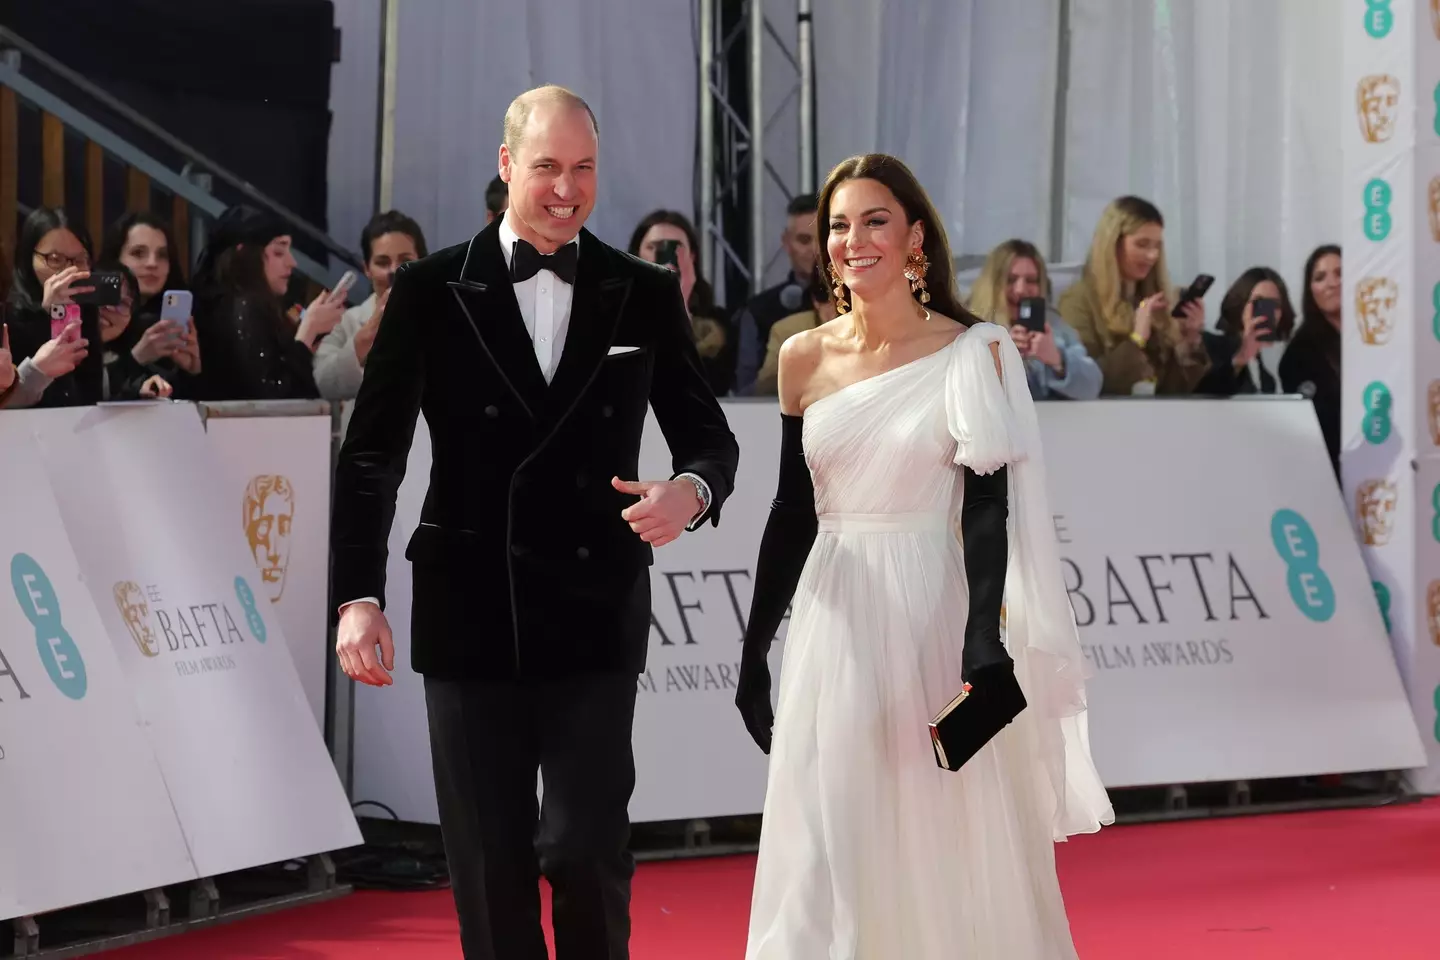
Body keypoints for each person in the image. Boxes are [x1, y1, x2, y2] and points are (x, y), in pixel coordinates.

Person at [330, 85, 739, 960]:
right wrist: (357, 595)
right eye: (548, 166)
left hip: (595, 609)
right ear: (507, 165)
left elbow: (709, 436)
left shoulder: (642, 290)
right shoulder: (433, 289)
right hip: (472, 610)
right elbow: (371, 456)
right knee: (490, 867)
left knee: (584, 851)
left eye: (584, 168)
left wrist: (691, 492)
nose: (567, 187)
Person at [734, 153, 1112, 959]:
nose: (853, 239)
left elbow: (986, 509)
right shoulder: (802, 359)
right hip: (833, 622)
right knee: (831, 826)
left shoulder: (974, 352)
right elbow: (790, 511)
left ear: (913, 237)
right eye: (840, 224)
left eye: (875, 220)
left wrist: (984, 638)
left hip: (931, 617)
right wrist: (753, 645)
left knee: (943, 829)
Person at [1058, 196, 1209, 396]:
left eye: (1157, 246)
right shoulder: (1078, 302)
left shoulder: (1153, 300)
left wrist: (1190, 340)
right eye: (1142, 244)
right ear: (1113, 244)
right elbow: (1085, 382)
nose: (1152, 255)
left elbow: (1175, 391)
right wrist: (1137, 339)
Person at [192, 205, 343, 401]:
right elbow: (273, 395)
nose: (292, 262)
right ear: (244, 254)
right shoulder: (243, 306)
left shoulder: (238, 303)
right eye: (279, 252)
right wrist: (308, 332)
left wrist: (304, 350)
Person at [966, 239, 1102, 400]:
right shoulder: (967, 327)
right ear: (993, 285)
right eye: (1011, 280)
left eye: (1031, 281)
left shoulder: (1054, 328)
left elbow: (1093, 385)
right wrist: (999, 357)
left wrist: (1058, 360)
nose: (1021, 290)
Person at [313, 210, 428, 400]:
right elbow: (325, 385)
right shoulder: (344, 323)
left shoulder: (448, 317)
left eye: (405, 261)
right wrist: (366, 337)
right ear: (367, 268)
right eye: (382, 263)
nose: (394, 271)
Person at [627, 209, 732, 395]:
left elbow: (715, 387)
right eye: (655, 248)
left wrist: (679, 306)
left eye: (677, 249)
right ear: (636, 255)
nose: (666, 259)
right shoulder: (613, 314)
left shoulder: (718, 323)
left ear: (691, 257)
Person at [732, 193, 819, 394]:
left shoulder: (859, 301)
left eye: (823, 238)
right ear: (786, 242)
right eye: (804, 240)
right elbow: (744, 396)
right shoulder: (758, 311)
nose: (815, 250)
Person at [1279, 245, 1342, 476]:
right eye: (1320, 277)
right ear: (1310, 290)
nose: (1332, 283)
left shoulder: (1373, 338)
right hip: (1328, 474)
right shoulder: (1299, 354)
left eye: (1340, 273)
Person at [1194, 267, 1297, 397]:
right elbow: (1201, 396)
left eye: (1275, 304)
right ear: (1241, 304)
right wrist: (1241, 358)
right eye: (1258, 302)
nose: (1267, 312)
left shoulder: (1268, 378)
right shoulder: (1210, 345)